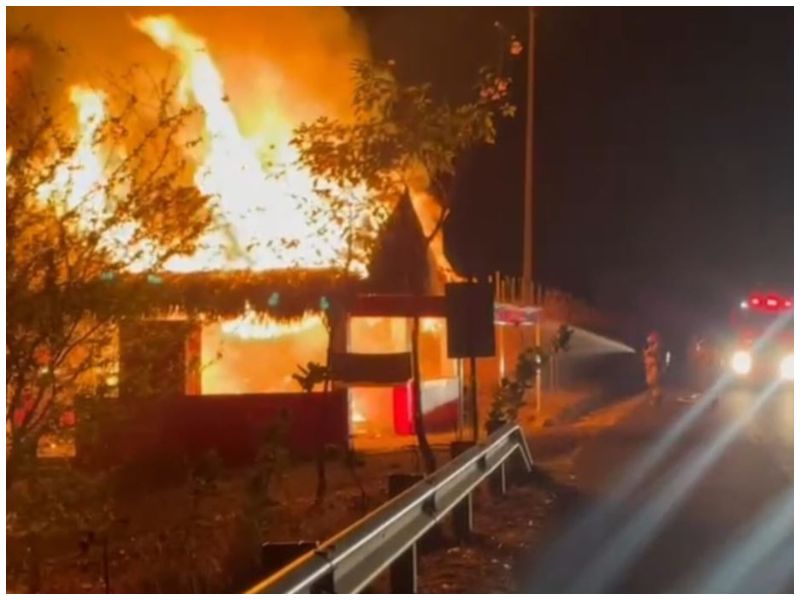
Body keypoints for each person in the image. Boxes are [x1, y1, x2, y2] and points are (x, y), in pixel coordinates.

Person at [644, 331, 665, 405]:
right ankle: (656, 397)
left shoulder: (656, 346)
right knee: (650, 382)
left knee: (654, 382)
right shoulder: (650, 347)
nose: (649, 342)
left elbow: (654, 352)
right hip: (650, 366)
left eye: (650, 340)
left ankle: (657, 399)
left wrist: (648, 352)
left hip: (654, 366)